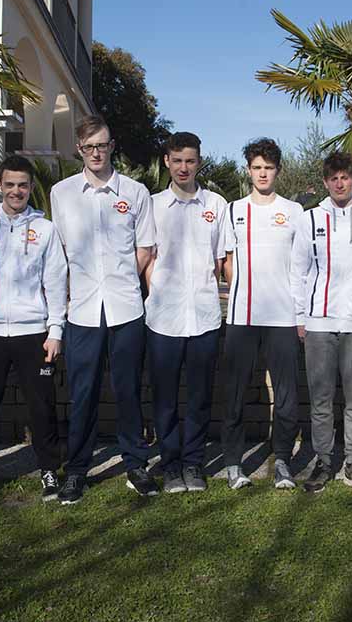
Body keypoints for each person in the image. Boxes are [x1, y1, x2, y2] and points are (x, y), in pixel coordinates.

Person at [50, 115, 157, 504]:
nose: (96, 153)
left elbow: (145, 248)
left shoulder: (136, 192)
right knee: (83, 394)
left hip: (126, 308)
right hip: (82, 311)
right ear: (79, 149)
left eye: (103, 145)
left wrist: (122, 276)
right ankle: (77, 470)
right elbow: (60, 251)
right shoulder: (62, 193)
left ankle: (135, 465)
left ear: (112, 146)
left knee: (128, 390)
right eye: (89, 146)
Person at [0, 155, 67, 501]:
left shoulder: (45, 229)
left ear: (30, 187)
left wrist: (55, 330)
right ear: (0, 185)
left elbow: (56, 281)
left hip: (33, 333)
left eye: (22, 185)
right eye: (9, 184)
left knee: (42, 407)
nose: (16, 191)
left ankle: (49, 470)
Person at [290, 152, 352, 492]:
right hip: (319, 323)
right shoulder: (310, 219)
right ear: (325, 182)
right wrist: (300, 316)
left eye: (345, 177)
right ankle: (323, 461)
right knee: (320, 400)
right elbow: (298, 271)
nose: (339, 183)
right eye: (333, 178)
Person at [144, 132, 226, 493]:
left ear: (199, 162)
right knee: (164, 399)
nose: (183, 167)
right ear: (166, 161)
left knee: (199, 397)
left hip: (204, 317)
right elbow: (147, 256)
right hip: (163, 319)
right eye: (177, 160)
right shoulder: (152, 206)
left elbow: (220, 260)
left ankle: (193, 464)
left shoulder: (216, 204)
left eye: (190, 161)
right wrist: (158, 293)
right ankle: (171, 465)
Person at [221, 137, 305, 490]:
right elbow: (227, 262)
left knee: (286, 396)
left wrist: (299, 312)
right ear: (248, 170)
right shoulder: (233, 210)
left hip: (283, 317)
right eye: (257, 167)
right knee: (235, 394)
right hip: (242, 317)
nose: (262, 173)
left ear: (278, 170)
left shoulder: (295, 211)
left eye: (268, 168)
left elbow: (301, 264)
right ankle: (233, 464)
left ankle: (282, 460)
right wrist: (242, 291)